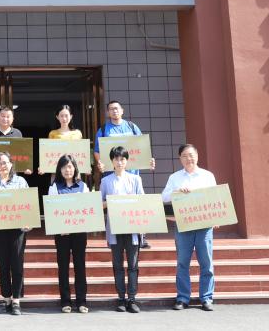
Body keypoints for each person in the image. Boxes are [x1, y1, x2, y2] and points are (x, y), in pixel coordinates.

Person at [161, 143, 217, 312]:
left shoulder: (207, 176)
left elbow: (216, 197)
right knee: (182, 263)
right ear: (180, 159)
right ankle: (182, 298)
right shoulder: (175, 177)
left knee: (206, 262)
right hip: (183, 224)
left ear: (197, 156)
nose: (188, 159)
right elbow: (164, 197)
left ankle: (206, 298)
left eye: (191, 155)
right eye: (184, 156)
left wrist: (216, 217)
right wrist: (177, 191)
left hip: (204, 225)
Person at [93, 100, 155, 248]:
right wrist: (100, 163)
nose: (114, 111)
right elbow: (97, 151)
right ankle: (114, 239)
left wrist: (149, 160)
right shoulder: (103, 129)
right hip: (112, 174)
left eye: (116, 108)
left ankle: (141, 237)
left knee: (136, 206)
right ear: (108, 113)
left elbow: (142, 147)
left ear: (122, 110)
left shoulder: (132, 127)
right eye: (111, 109)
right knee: (114, 207)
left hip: (132, 174)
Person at [0, 151, 30, 316]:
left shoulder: (20, 182)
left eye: (5, 162)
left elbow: (28, 204)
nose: (2, 165)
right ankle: (6, 298)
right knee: (2, 265)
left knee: (17, 264)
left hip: (17, 229)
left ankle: (16, 300)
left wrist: (28, 221)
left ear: (11, 164)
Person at [100, 146, 145, 313]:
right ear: (111, 161)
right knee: (118, 265)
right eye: (116, 159)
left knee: (133, 265)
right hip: (115, 228)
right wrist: (112, 201)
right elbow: (99, 204)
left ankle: (132, 298)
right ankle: (120, 297)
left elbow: (142, 202)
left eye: (122, 159)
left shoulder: (135, 179)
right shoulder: (106, 181)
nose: (119, 162)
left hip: (133, 227)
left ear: (127, 161)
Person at [47, 154, 90, 314]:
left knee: (80, 266)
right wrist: (60, 227)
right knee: (63, 267)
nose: (67, 170)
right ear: (59, 169)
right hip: (62, 234)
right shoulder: (54, 187)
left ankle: (81, 301)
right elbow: (51, 211)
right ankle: (65, 301)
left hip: (79, 233)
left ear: (75, 168)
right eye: (64, 167)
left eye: (70, 166)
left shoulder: (83, 186)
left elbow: (87, 209)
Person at [0, 106, 32, 175]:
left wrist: (26, 166)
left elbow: (22, 152)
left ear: (12, 119)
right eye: (3, 116)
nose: (5, 119)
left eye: (8, 116)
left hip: (12, 174)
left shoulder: (17, 133)